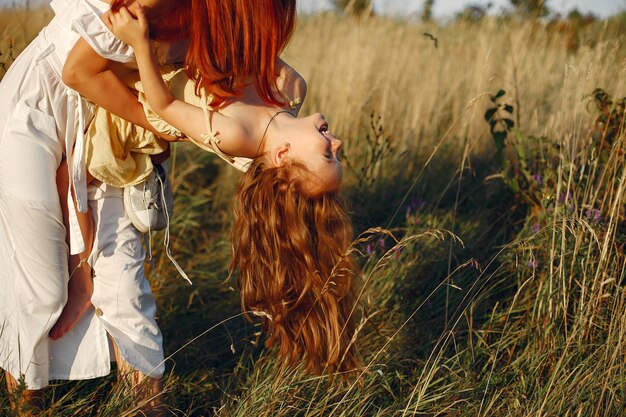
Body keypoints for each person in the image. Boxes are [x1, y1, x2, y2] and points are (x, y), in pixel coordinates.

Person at [103, 4, 360, 374]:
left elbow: (164, 103)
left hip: (147, 59)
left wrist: (139, 42)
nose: (335, 144)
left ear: (283, 157)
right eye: (337, 153)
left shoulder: (237, 135)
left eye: (327, 155)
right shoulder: (292, 88)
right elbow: (250, 44)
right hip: (191, 39)